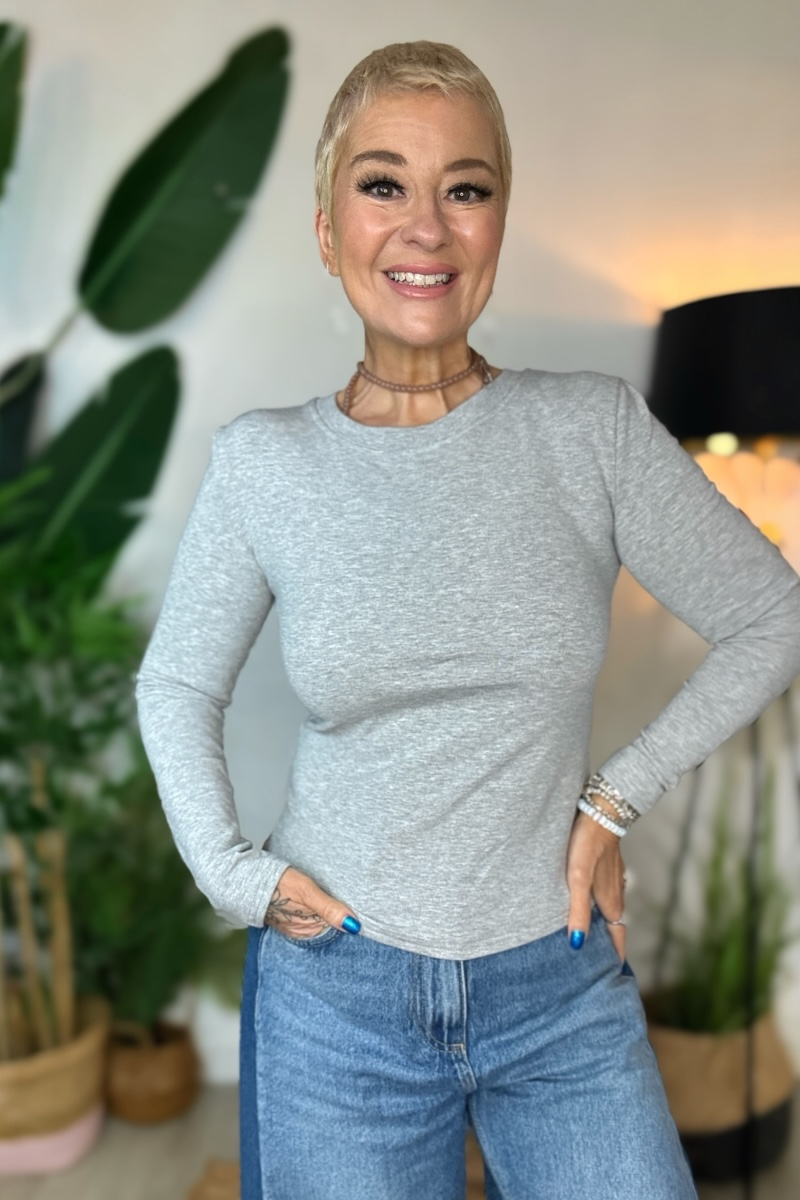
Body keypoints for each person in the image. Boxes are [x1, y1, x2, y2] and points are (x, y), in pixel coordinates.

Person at [135, 41, 800, 1200]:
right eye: (382, 184)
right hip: (335, 994)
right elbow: (176, 683)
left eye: (465, 188)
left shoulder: (589, 431)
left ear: (497, 222)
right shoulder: (264, 465)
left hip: (556, 984)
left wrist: (613, 798)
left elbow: (770, 615)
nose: (426, 227)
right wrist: (235, 877)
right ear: (327, 229)